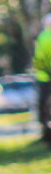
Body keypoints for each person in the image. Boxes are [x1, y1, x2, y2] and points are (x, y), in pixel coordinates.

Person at [33, 12, 51, 146]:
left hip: (44, 77)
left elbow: (39, 58)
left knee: (43, 106)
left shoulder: (43, 36)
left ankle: (45, 132)